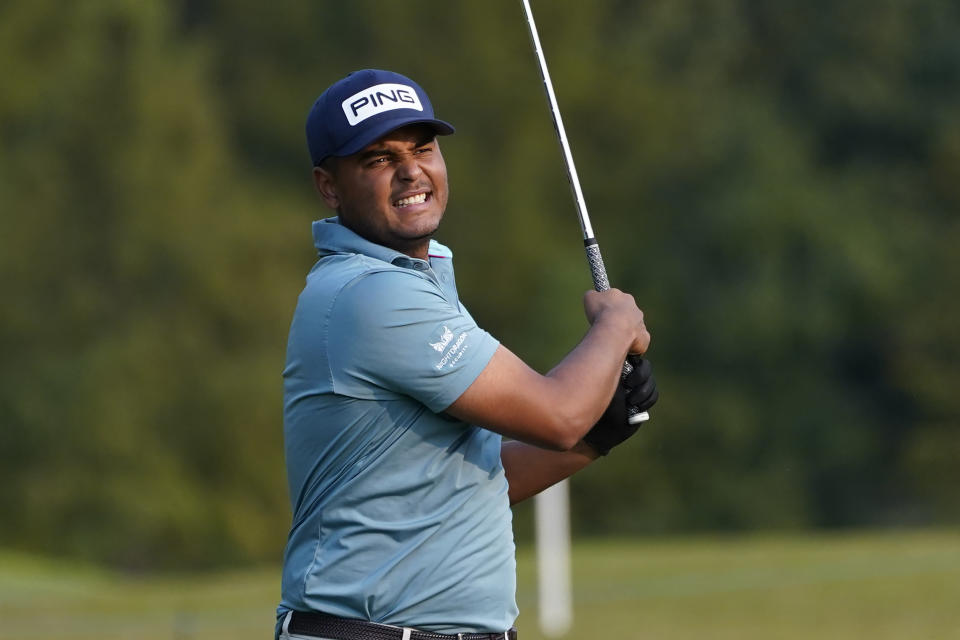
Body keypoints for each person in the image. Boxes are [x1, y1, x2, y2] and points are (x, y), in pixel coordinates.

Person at [277, 69, 658, 640]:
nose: (411, 170)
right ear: (329, 187)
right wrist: (615, 323)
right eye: (378, 159)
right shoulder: (371, 293)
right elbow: (557, 414)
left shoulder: (415, 282)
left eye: (423, 148)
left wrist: (595, 439)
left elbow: (472, 483)